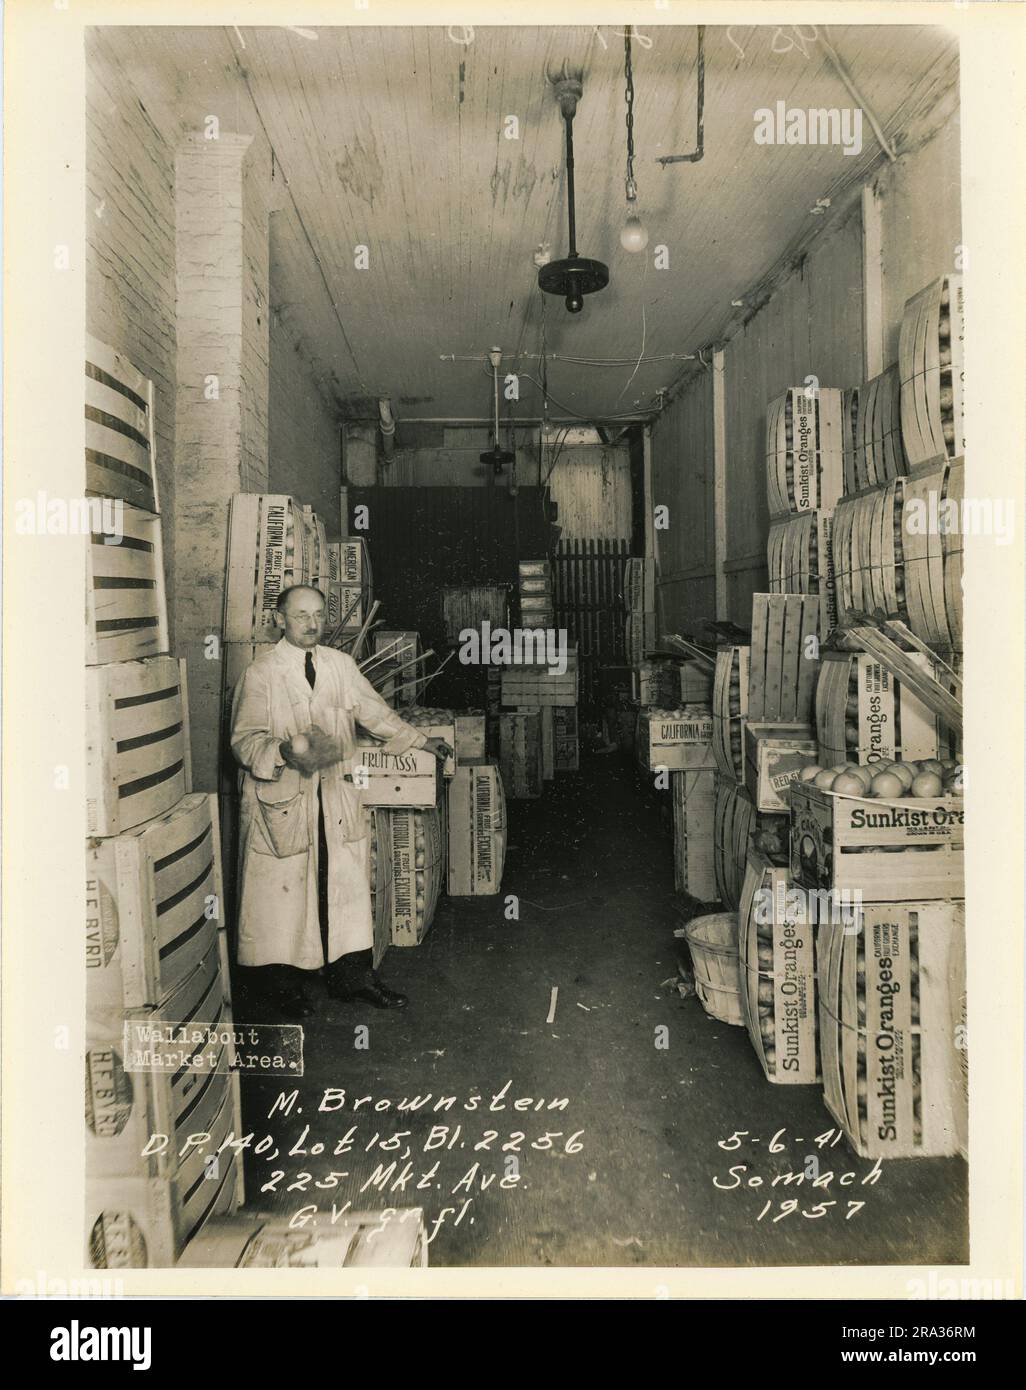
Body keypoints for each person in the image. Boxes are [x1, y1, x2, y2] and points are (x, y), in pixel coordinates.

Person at [230, 584, 450, 1019]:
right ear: (280, 619)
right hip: (285, 801)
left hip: (334, 798)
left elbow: (375, 713)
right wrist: (282, 751)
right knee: (282, 894)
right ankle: (283, 988)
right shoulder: (262, 673)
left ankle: (354, 980)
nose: (311, 624)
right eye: (300, 615)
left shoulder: (341, 665)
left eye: (317, 615)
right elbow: (243, 739)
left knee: (345, 887)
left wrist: (422, 740)